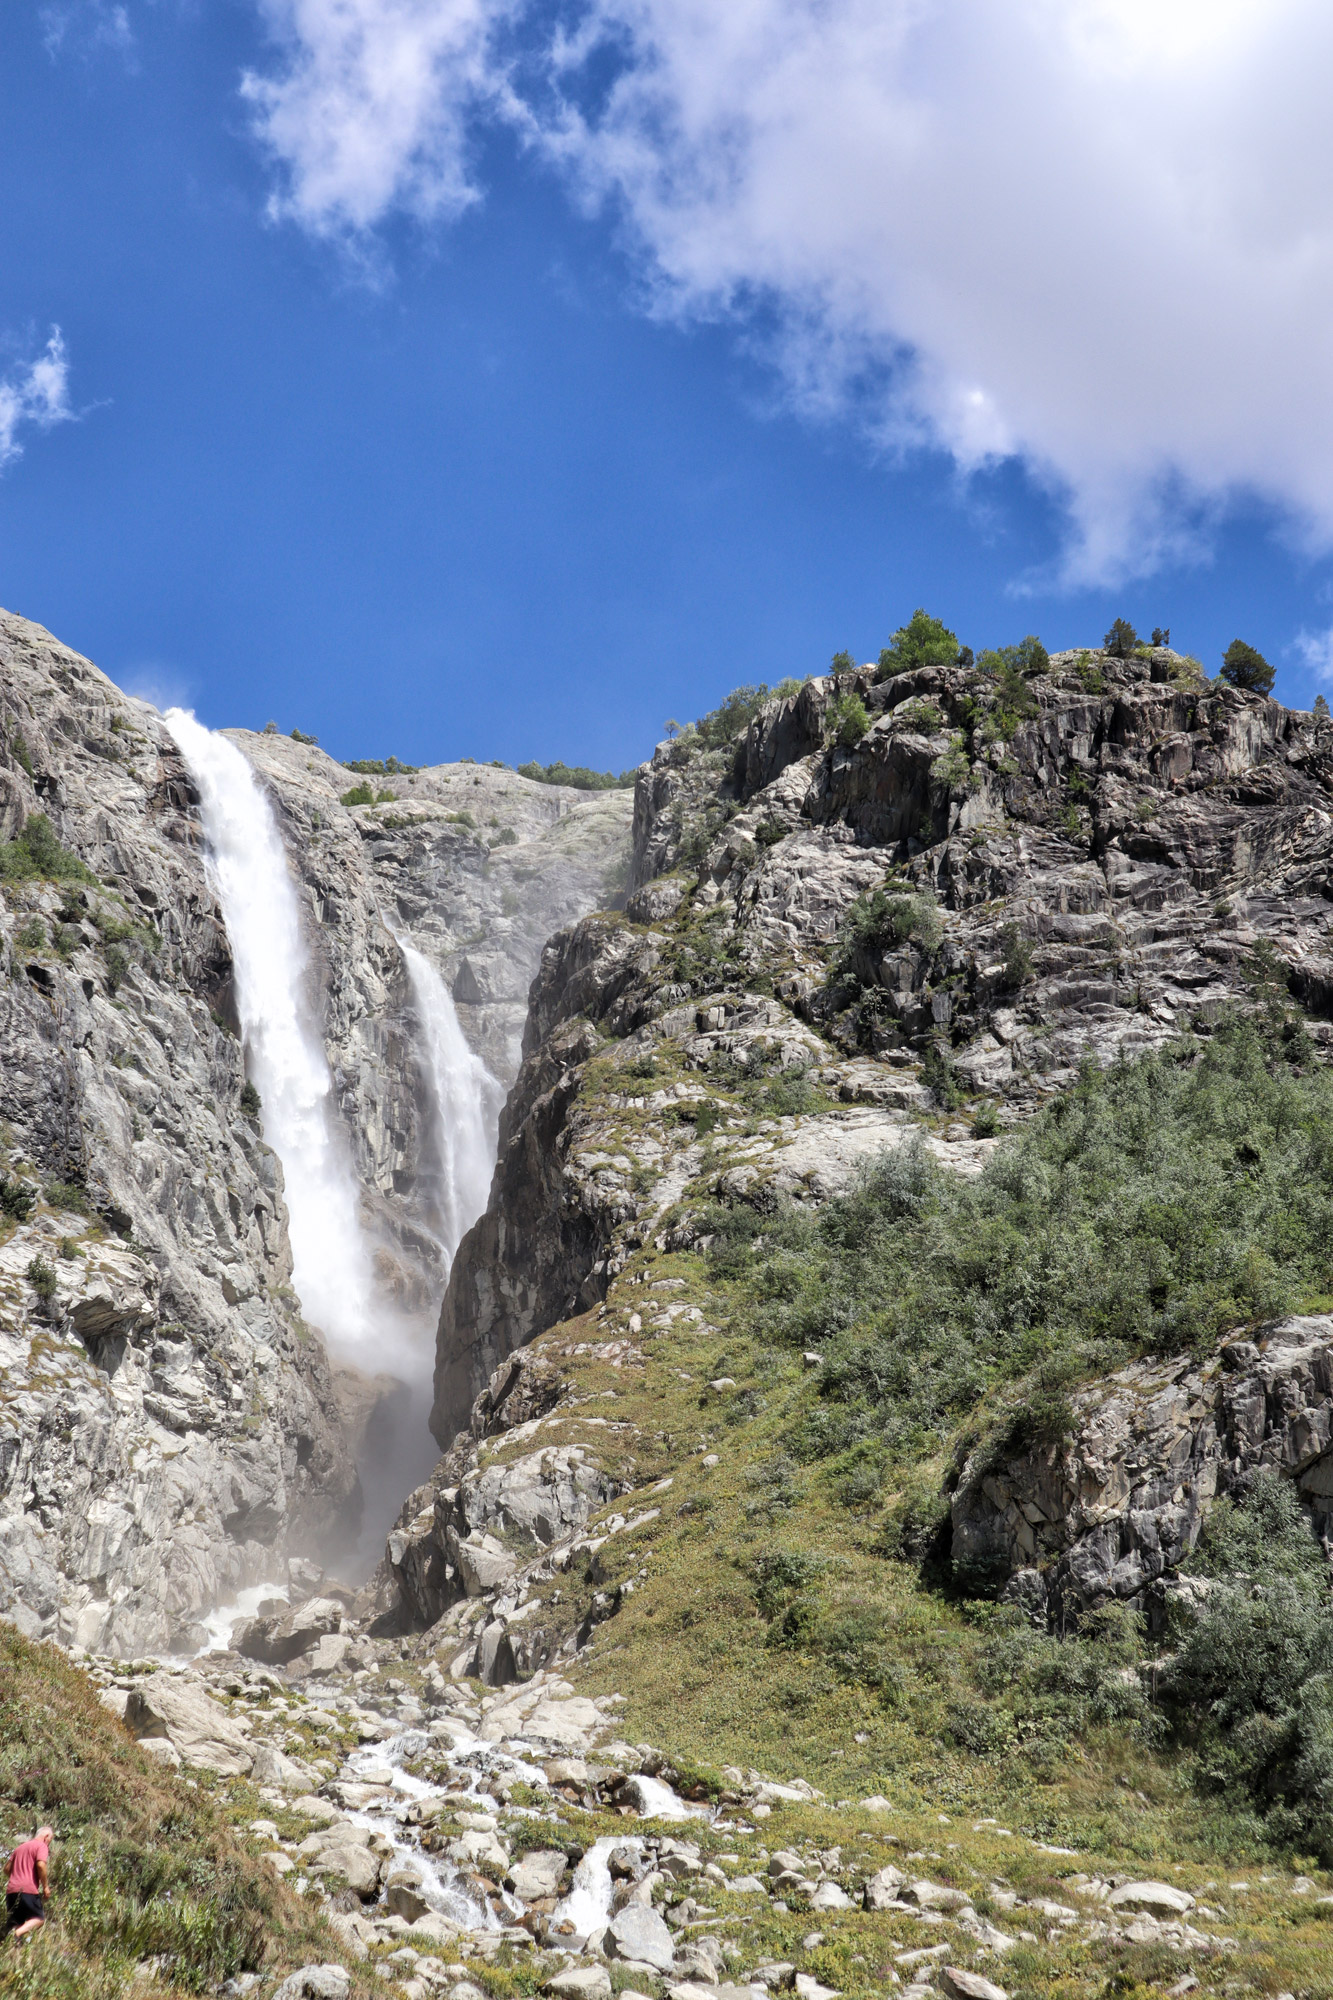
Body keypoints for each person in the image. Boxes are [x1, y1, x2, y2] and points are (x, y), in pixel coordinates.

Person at [5, 1827, 52, 1942]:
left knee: (16, 1921)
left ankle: (14, 1947)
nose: (49, 1843)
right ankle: (18, 1933)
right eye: (50, 1839)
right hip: (27, 1890)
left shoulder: (20, 1847)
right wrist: (45, 1886)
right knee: (39, 1918)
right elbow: (41, 1865)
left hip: (11, 1891)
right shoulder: (41, 1846)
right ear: (46, 1837)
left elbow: (6, 1869)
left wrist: (17, 1878)